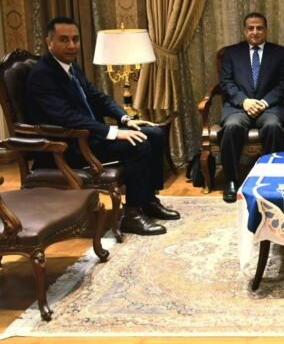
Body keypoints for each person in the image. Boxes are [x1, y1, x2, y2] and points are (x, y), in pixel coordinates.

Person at [26, 17, 180, 236]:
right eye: (64, 40)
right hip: (69, 147)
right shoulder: (42, 75)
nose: (72, 45)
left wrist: (125, 119)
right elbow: (67, 118)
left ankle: (148, 201)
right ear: (49, 42)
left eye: (75, 39)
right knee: (138, 145)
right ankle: (132, 215)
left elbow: (98, 97)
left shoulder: (71, 67)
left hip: (90, 137)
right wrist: (113, 132)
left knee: (154, 133)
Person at [219, 12, 284, 203]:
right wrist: (244, 101)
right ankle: (231, 181)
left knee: (273, 126)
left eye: (259, 28)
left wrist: (264, 102)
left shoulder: (280, 53)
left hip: (269, 107)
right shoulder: (231, 53)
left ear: (266, 30)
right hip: (239, 107)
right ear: (245, 31)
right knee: (232, 126)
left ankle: (272, 179)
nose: (255, 32)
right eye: (250, 28)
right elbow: (226, 82)